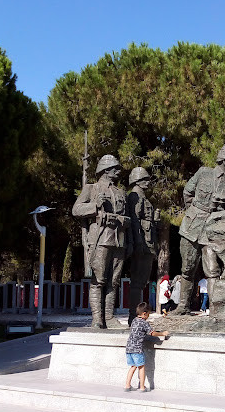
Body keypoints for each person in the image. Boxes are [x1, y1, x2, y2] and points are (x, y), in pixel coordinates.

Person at [176, 143, 225, 314]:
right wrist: (195, 210)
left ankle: (215, 309)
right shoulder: (204, 173)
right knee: (187, 268)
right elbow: (187, 192)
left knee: (212, 270)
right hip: (192, 228)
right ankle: (183, 306)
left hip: (213, 232)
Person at [72, 154, 131, 328]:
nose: (118, 172)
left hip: (118, 238)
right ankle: (97, 319)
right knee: (98, 280)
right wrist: (95, 205)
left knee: (114, 280)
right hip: (100, 237)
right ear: (105, 170)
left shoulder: (121, 192)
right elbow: (76, 210)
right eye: (115, 168)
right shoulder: (92, 188)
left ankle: (109, 317)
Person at [127, 167, 160, 325]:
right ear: (137, 181)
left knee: (141, 282)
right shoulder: (135, 197)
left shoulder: (143, 197)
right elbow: (134, 220)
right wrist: (138, 242)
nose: (148, 182)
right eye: (145, 179)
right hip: (142, 243)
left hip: (148, 243)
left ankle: (136, 317)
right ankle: (134, 318)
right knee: (137, 282)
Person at [124, 302, 169, 392]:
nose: (148, 316)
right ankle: (142, 387)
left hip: (129, 348)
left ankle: (127, 385)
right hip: (137, 348)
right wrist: (162, 333)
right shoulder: (144, 323)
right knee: (141, 367)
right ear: (144, 313)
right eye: (148, 314)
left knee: (133, 366)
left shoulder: (134, 320)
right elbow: (152, 333)